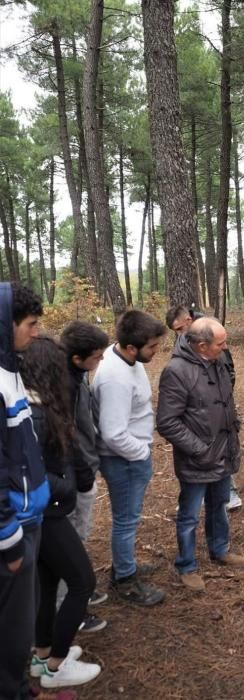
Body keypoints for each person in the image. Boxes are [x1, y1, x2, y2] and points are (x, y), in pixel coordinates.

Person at [20, 337, 101, 689]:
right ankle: (56, 667)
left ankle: (42, 655)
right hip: (48, 514)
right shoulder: (34, 415)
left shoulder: (37, 406)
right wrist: (67, 485)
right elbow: (32, 470)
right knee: (83, 581)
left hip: (45, 512)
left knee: (48, 581)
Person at [157, 317, 244, 592]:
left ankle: (219, 549)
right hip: (197, 459)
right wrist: (200, 449)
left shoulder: (217, 361)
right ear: (201, 345)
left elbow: (224, 400)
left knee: (219, 503)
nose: (225, 346)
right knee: (189, 514)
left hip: (222, 452)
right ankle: (186, 565)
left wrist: (233, 426)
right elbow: (167, 422)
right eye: (220, 343)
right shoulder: (176, 371)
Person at [92, 310, 166, 606]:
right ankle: (124, 578)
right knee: (126, 520)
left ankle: (126, 564)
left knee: (128, 518)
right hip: (123, 460)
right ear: (131, 347)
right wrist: (142, 454)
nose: (156, 351)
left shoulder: (125, 358)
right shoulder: (114, 378)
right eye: (152, 347)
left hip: (130, 456)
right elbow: (112, 433)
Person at [0, 282, 49, 700]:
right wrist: (9, 542)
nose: (36, 332)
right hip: (10, 530)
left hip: (26, 517)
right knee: (11, 632)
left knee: (22, 627)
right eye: (30, 324)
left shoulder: (10, 370)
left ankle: (19, 687)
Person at [59, 321, 110, 632]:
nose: (101, 361)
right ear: (77, 358)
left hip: (82, 471)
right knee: (70, 544)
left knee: (78, 539)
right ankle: (69, 609)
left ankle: (79, 591)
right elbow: (69, 437)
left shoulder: (77, 377)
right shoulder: (64, 385)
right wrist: (83, 474)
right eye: (96, 356)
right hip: (75, 478)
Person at [166, 304, 242, 510]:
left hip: (217, 405)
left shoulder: (212, 334)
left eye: (180, 329)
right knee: (208, 447)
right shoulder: (187, 346)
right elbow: (167, 421)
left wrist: (224, 397)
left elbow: (228, 370)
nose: (179, 334)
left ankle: (230, 492)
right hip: (201, 413)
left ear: (188, 321)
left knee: (220, 446)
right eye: (176, 331)